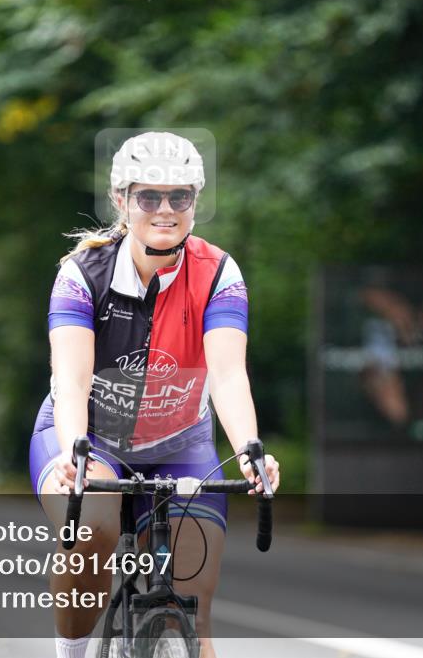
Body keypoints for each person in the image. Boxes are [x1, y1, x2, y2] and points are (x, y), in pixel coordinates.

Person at [29, 131, 280, 658]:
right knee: (93, 528)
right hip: (91, 438)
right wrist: (75, 449)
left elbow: (228, 374)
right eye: (149, 196)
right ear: (121, 200)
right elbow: (71, 380)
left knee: (194, 605)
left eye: (179, 196)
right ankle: (70, 652)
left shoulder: (218, 273)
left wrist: (249, 451)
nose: (165, 209)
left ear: (195, 202)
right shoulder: (82, 274)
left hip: (178, 443)